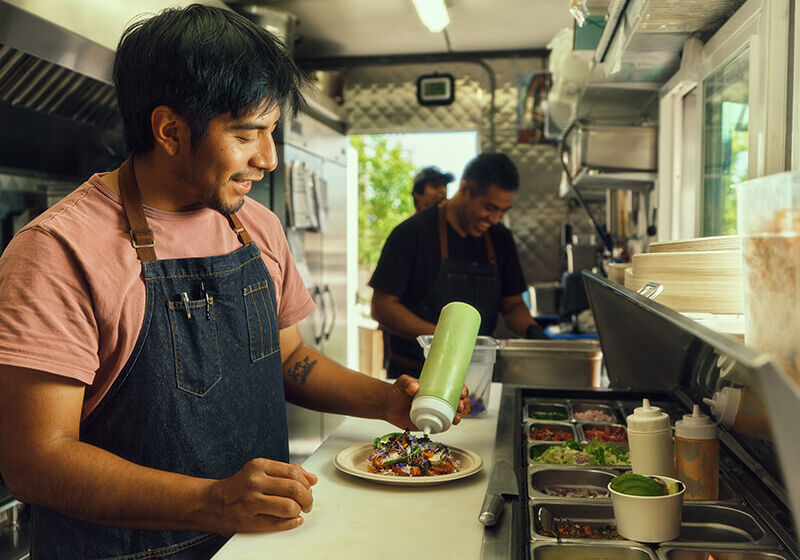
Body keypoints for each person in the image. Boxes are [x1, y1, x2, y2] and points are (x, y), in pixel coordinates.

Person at [0, 6, 466, 559]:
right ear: (170, 130)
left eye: (272, 132)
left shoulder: (254, 226)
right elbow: (37, 460)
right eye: (247, 135)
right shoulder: (58, 252)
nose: (267, 159)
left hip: (255, 545)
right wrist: (215, 501)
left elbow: (289, 359)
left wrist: (387, 400)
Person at [370, 152, 548, 379]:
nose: (495, 219)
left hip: (476, 374)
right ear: (464, 189)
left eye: (503, 211)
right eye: (490, 208)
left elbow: (512, 306)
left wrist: (534, 332)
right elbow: (382, 307)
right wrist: (447, 338)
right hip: (415, 375)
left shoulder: (500, 238)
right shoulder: (411, 234)